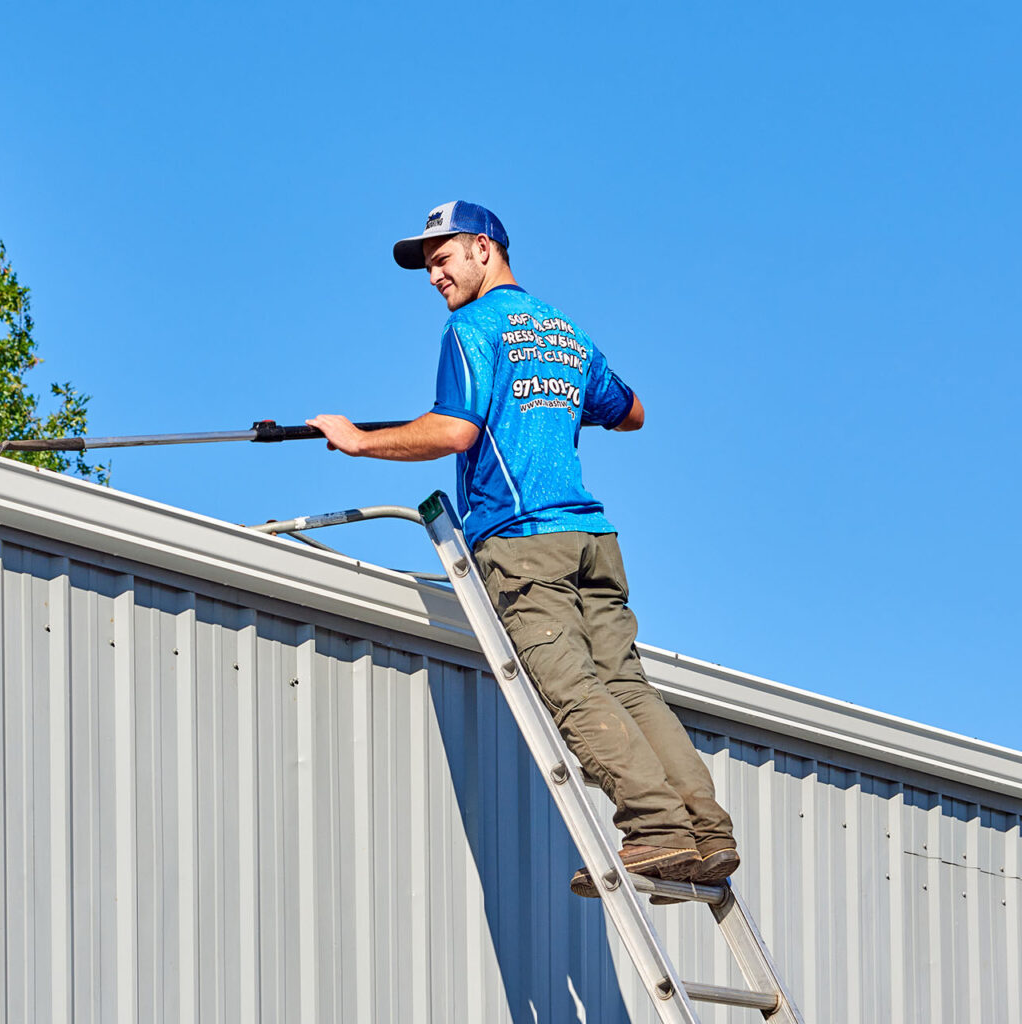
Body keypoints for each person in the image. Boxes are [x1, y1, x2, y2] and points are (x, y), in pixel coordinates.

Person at [307, 201, 738, 896]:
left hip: (523, 538)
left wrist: (359, 441)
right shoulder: (561, 329)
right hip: (592, 539)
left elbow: (452, 433)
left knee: (570, 690)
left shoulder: (471, 328)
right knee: (625, 684)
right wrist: (544, 403)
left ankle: (657, 831)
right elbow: (630, 413)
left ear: (484, 248)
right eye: (426, 266)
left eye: (442, 259)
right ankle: (706, 831)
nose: (432, 277)